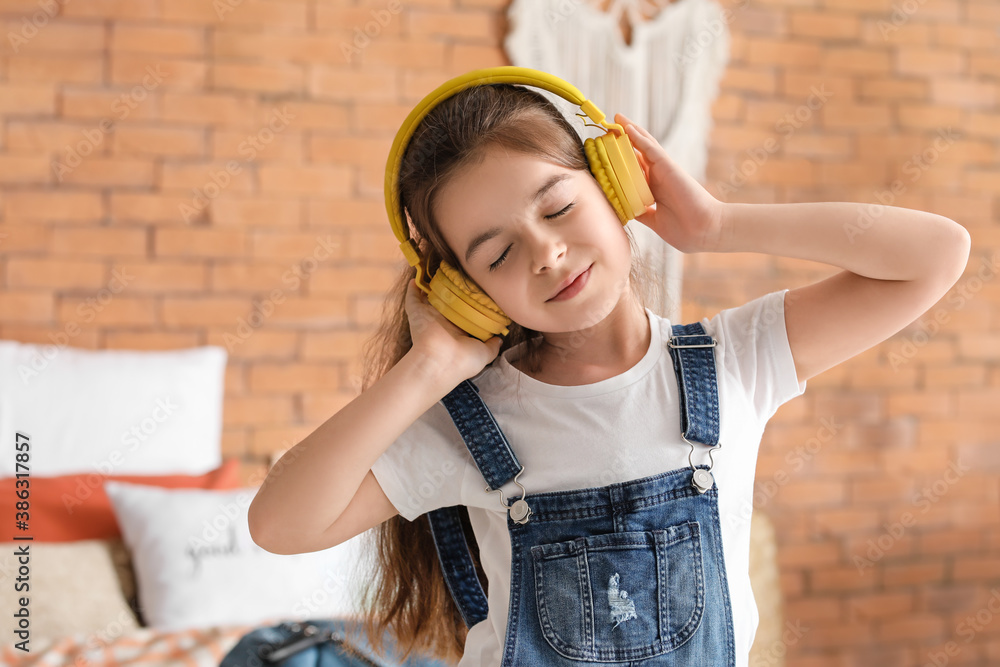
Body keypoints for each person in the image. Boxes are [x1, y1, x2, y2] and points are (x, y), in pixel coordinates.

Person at [248, 78, 971, 667]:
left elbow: (937, 254)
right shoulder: (469, 422)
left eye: (558, 207)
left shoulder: (733, 360)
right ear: (464, 290)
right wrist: (429, 365)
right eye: (496, 255)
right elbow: (280, 523)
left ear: (616, 186)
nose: (547, 254)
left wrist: (717, 225)